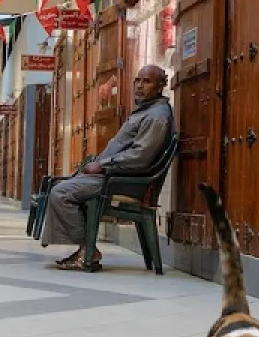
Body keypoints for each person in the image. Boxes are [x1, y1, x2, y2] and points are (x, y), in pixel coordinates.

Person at [41, 64, 172, 270]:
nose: (139, 86)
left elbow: (141, 157)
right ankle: (84, 247)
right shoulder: (146, 111)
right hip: (113, 177)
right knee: (61, 185)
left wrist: (103, 164)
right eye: (137, 80)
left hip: (123, 182)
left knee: (61, 192)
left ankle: (88, 250)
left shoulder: (157, 116)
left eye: (146, 82)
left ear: (161, 86)